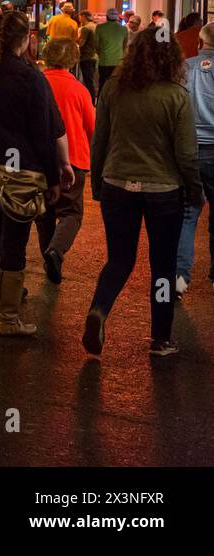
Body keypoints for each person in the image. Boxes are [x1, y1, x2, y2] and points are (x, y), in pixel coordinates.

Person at [0, 10, 73, 338]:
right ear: (27, 38)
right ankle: (8, 318)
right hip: (21, 175)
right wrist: (55, 175)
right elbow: (44, 133)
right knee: (14, 244)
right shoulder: (31, 77)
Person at [84, 25, 200, 358]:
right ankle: (161, 338)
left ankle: (99, 310)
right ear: (172, 57)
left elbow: (100, 141)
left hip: (117, 184)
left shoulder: (112, 88)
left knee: (119, 259)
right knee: (162, 266)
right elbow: (187, 154)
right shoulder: (176, 96)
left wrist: (97, 186)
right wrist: (194, 191)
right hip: (164, 190)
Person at [37, 39, 95, 284]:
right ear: (73, 61)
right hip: (73, 158)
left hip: (39, 160)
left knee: (44, 213)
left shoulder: (37, 84)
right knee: (71, 212)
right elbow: (92, 127)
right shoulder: (79, 89)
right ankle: (56, 251)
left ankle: (48, 256)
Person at [178, 22, 214, 297]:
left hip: (189, 148)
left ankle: (179, 276)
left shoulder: (185, 67)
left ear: (200, 44)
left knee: (189, 212)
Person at [96, 8, 128, 87]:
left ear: (107, 16)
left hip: (104, 60)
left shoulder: (100, 28)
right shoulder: (124, 29)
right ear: (117, 17)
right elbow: (124, 45)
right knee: (116, 86)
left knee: (103, 84)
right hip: (118, 61)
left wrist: (100, 53)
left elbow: (96, 44)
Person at [77, 11, 99, 101]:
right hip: (94, 56)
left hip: (86, 56)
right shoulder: (95, 26)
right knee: (91, 79)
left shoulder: (85, 28)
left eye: (80, 16)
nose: (79, 18)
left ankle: (91, 101)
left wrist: (76, 40)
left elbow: (81, 43)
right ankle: (92, 99)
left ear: (83, 16)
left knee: (88, 80)